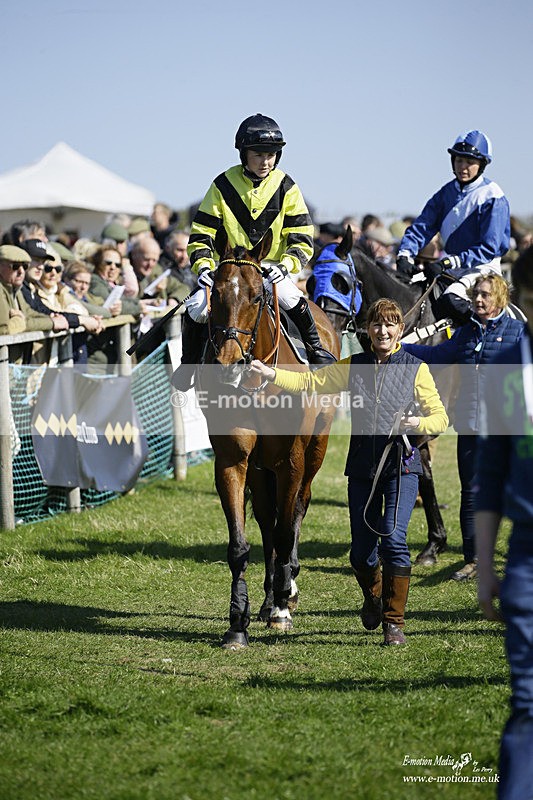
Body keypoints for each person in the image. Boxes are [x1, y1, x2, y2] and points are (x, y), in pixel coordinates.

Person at [251, 298, 448, 645]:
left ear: (400, 329)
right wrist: (271, 374)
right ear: (367, 330)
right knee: (361, 554)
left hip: (401, 466)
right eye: (376, 325)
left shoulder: (416, 368)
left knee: (393, 537)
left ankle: (393, 622)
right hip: (361, 470)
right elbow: (310, 383)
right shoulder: (353, 366)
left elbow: (441, 417)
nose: (382, 331)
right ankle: (372, 597)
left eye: (389, 325)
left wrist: (419, 421)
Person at [172, 113, 334, 391]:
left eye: (272, 155)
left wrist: (285, 266)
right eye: (259, 154)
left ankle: (316, 350)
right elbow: (201, 235)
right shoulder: (222, 185)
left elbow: (302, 237)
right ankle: (188, 366)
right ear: (244, 154)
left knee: (291, 298)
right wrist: (204, 269)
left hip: (271, 270)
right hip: (229, 272)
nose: (266, 161)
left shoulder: (287, 186)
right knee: (196, 307)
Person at [403, 273, 523, 579]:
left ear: (500, 298)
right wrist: (399, 347)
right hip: (470, 427)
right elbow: (436, 356)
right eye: (475, 296)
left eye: (485, 295)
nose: (478, 300)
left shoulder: (518, 331)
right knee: (471, 493)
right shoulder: (466, 333)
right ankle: (473, 559)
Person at [475, 245, 533, 799]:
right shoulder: (509, 366)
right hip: (529, 563)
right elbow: (490, 472)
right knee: (530, 707)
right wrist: (485, 562)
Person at [396, 130, 511, 325]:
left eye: (469, 162)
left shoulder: (493, 196)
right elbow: (423, 226)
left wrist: (449, 263)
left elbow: (489, 248)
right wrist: (405, 254)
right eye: (459, 160)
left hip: (483, 269)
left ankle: (483, 339)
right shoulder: (445, 193)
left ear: (482, 164)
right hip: (451, 269)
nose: (463, 167)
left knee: (451, 300)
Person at [0, 244, 67, 363]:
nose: (21, 271)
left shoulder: (14, 288)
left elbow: (28, 313)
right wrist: (19, 321)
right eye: (15, 266)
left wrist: (50, 318)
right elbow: (4, 329)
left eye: (25, 266)